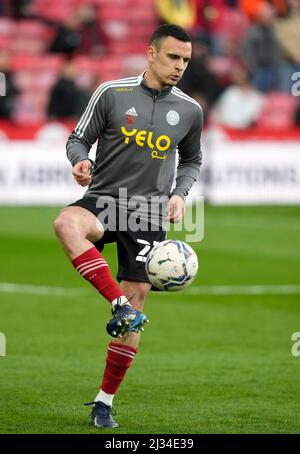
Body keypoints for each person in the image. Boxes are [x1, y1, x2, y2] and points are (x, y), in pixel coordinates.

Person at [54, 24, 203, 429]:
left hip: (148, 214)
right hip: (103, 200)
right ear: (151, 53)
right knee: (66, 223)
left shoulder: (190, 110)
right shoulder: (112, 93)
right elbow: (78, 138)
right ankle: (117, 304)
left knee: (138, 302)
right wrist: (79, 160)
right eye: (173, 57)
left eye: (186, 60)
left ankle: (104, 402)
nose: (180, 67)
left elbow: (191, 160)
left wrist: (180, 193)